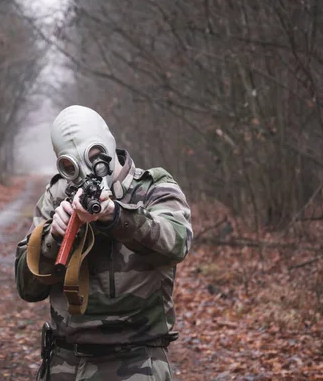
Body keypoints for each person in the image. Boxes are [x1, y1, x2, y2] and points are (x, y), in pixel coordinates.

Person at [15, 105, 192, 381]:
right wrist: (53, 238)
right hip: (65, 363)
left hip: (137, 363)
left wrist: (116, 216)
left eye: (95, 156)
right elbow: (27, 286)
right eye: (71, 165)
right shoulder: (56, 196)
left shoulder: (152, 187)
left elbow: (176, 243)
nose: (88, 169)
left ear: (108, 144)